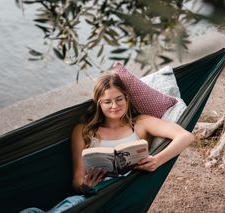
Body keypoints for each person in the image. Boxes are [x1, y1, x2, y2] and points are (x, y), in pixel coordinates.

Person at [21, 70, 194, 213]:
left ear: (126, 98)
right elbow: (77, 179)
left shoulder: (141, 123)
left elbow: (186, 136)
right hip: (91, 198)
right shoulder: (83, 131)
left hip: (121, 195)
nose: (114, 106)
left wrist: (157, 160)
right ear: (99, 104)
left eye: (119, 99)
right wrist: (85, 185)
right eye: (107, 101)